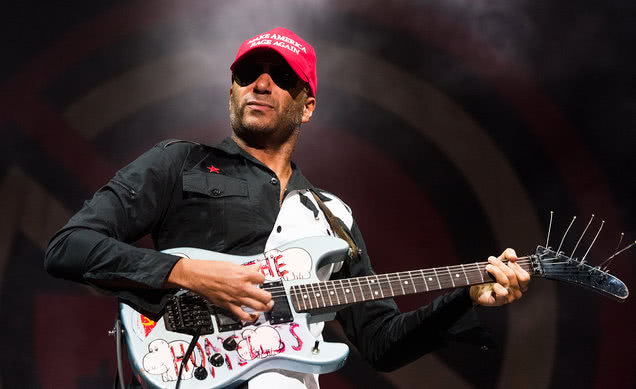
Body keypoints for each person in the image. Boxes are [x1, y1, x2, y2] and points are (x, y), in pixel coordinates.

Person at [44, 27, 530, 389]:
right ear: (231, 89)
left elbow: (381, 342)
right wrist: (188, 273)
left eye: (280, 77)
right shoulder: (179, 163)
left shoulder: (332, 217)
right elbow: (70, 248)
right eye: (246, 74)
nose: (260, 84)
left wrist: (464, 297)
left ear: (308, 104)